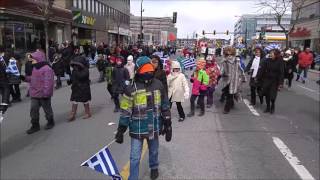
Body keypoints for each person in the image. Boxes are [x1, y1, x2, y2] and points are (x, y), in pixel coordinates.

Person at [114, 56, 171, 180]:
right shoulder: (130, 89)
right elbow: (125, 111)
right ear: (139, 71)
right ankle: (133, 177)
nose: (149, 73)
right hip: (137, 129)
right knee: (134, 157)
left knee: (154, 151)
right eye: (146, 71)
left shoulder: (158, 84)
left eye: (150, 70)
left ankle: (154, 167)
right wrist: (121, 130)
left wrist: (168, 123)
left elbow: (165, 105)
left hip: (154, 127)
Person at [24, 50, 55, 134]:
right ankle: (35, 125)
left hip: (43, 94)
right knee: (33, 109)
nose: (31, 61)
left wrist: (46, 93)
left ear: (38, 59)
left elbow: (49, 82)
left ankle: (50, 121)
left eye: (33, 59)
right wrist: (25, 78)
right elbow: (33, 79)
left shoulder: (47, 69)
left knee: (47, 109)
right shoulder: (35, 67)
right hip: (34, 93)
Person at [257, 49, 284, 114]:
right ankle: (268, 107)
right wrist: (258, 77)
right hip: (267, 79)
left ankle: (272, 105)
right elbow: (262, 69)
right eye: (270, 53)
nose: (271, 54)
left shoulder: (280, 61)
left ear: (276, 55)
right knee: (266, 94)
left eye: (272, 53)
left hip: (275, 81)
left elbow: (281, 73)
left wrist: (280, 83)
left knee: (272, 96)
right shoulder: (267, 60)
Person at [221, 46, 246, 114]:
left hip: (234, 80)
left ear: (233, 53)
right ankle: (231, 104)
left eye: (231, 54)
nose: (229, 56)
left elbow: (241, 69)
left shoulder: (236, 60)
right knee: (228, 93)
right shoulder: (224, 61)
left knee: (230, 94)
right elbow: (222, 71)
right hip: (227, 80)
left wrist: (243, 78)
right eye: (227, 54)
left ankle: (227, 108)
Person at [68, 56, 92, 121]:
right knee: (75, 101)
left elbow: (82, 77)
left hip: (84, 88)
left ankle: (88, 113)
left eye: (77, 64)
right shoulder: (74, 70)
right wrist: (70, 81)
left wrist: (76, 71)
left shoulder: (85, 70)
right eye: (75, 65)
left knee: (85, 100)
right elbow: (73, 78)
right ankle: (73, 114)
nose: (75, 66)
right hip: (76, 88)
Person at [0, 48, 10, 116]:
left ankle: (4, 102)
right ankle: (4, 104)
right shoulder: (3, 58)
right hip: (3, 77)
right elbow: (6, 67)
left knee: (2, 90)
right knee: (6, 89)